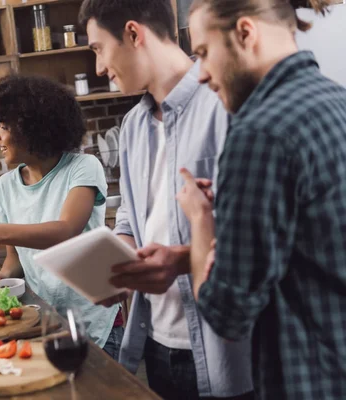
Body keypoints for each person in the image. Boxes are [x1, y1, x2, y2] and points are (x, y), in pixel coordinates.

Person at [78, 0, 253, 399]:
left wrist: (179, 259)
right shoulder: (133, 126)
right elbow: (129, 221)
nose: (100, 69)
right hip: (156, 344)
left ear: (134, 34)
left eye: (98, 49)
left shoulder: (224, 103)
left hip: (227, 349)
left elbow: (257, 232)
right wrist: (115, 267)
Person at [176, 0, 346, 399]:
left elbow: (225, 311)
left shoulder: (259, 134)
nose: (201, 75)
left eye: (202, 53)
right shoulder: (337, 102)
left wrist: (201, 220)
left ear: (245, 33)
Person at [0, 75, 123, 359]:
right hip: (49, 318)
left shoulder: (82, 167)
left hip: (95, 316)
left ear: (33, 128)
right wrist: (2, 276)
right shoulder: (6, 185)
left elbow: (66, 231)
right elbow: (15, 259)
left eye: (4, 127)